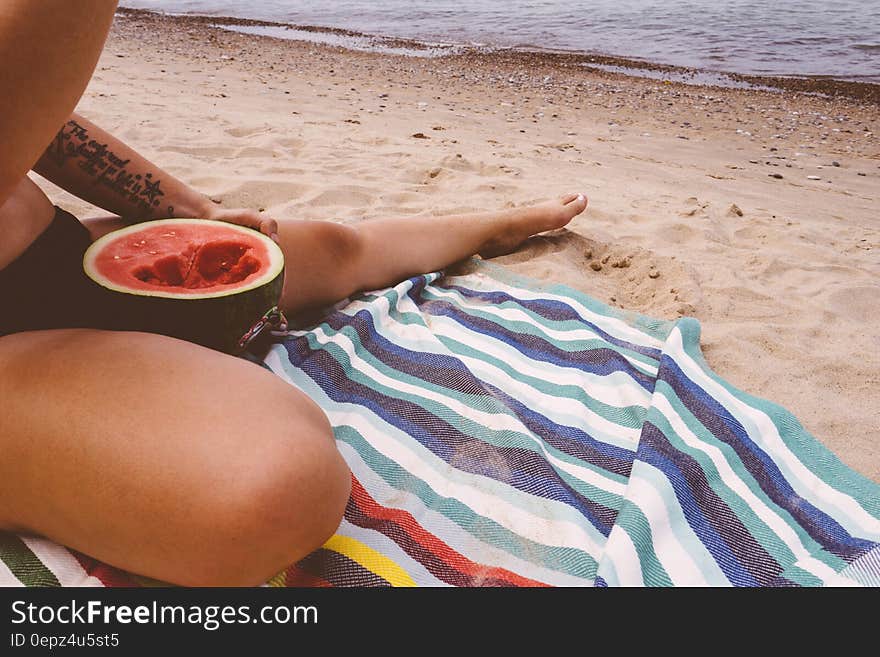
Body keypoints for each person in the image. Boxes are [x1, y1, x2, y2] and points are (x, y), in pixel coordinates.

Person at [0, 1, 587, 586]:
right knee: (277, 489)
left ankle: (494, 225)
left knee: (337, 248)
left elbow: (40, 120)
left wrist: (190, 211)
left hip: (46, 250)